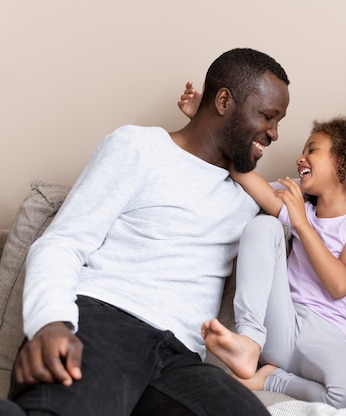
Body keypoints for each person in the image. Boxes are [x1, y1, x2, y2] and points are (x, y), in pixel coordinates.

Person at [5, 47, 290, 416]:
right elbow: (63, 242)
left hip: (182, 358)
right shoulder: (138, 148)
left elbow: (310, 216)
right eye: (268, 116)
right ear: (223, 101)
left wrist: (237, 161)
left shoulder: (247, 195)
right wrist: (50, 323)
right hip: (104, 323)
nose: (276, 133)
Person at [202, 116, 346, 408]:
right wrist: (209, 123)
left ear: (344, 163)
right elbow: (242, 174)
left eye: (312, 150)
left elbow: (339, 285)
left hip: (328, 336)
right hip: (281, 323)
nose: (300, 158)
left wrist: (302, 225)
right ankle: (248, 340)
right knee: (264, 227)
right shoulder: (299, 209)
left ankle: (271, 378)